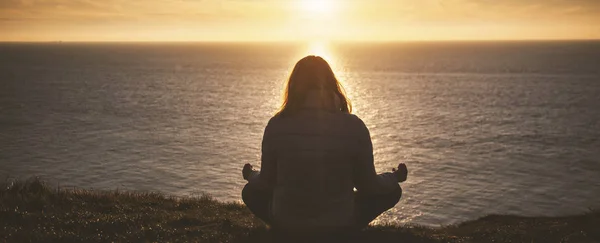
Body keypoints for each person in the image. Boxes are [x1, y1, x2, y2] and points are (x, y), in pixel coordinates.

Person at [241, 55, 408, 233]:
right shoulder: (354, 125)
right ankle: (344, 231)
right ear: (331, 84)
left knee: (250, 192)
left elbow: (266, 182)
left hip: (287, 221)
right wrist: (394, 178)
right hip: (339, 222)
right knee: (393, 191)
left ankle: (287, 230)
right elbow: (368, 185)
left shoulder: (276, 124)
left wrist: (251, 175)